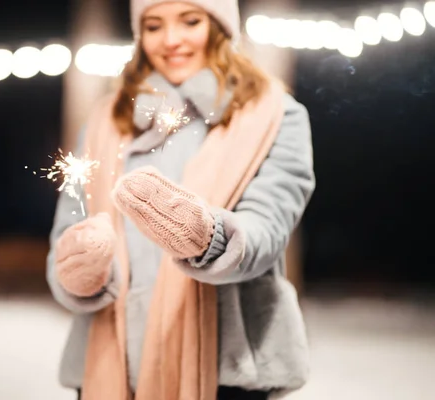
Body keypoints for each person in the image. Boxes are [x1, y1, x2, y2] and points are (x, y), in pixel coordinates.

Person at [46, 0, 315, 399]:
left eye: (190, 21)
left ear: (220, 27)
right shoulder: (107, 119)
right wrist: (79, 267)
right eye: (154, 26)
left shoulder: (275, 116)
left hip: (227, 369)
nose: (171, 40)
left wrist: (209, 237)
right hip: (109, 366)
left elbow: (267, 230)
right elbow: (68, 229)